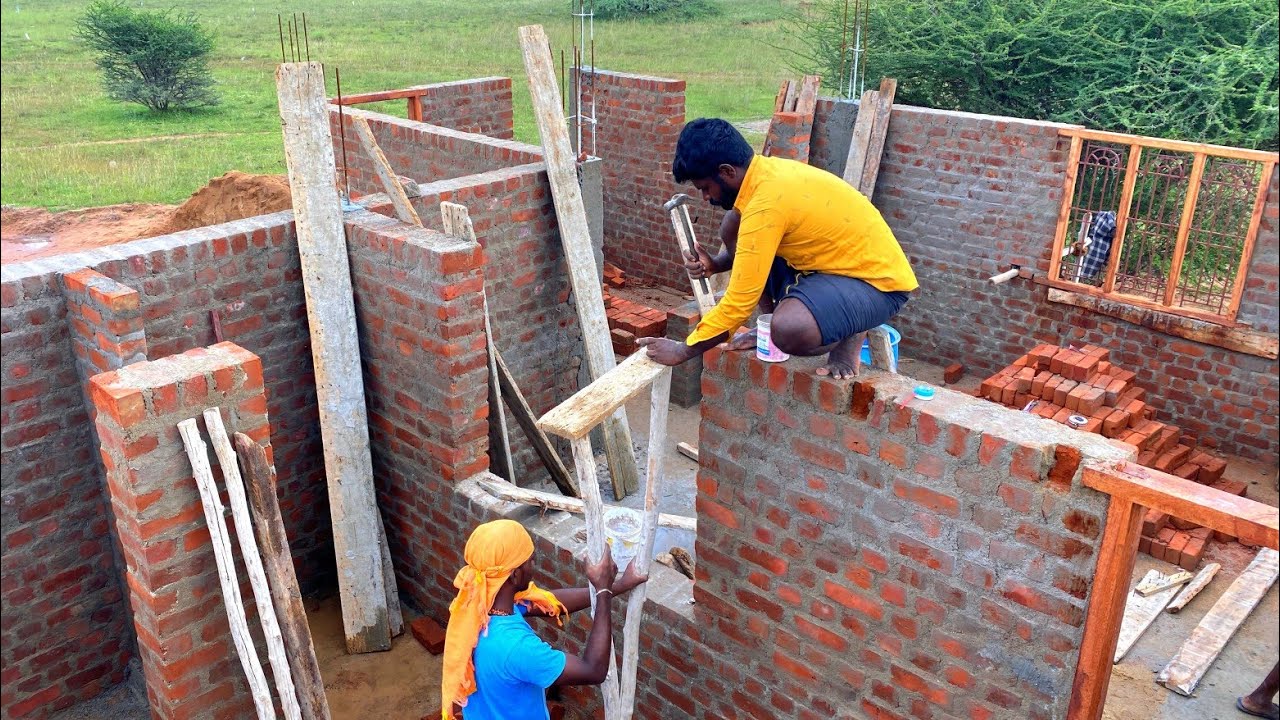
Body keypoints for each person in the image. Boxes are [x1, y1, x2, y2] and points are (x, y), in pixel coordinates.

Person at [639, 118, 918, 378]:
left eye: (706, 187)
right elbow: (747, 251)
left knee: (789, 330)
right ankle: (772, 326)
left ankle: (850, 333)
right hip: (828, 265)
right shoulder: (763, 176)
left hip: (877, 285)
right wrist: (717, 264)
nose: (705, 197)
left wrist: (682, 350)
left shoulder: (766, 205)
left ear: (727, 171)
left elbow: (738, 304)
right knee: (731, 225)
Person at [440, 519, 647, 720]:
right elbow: (593, 670)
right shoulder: (517, 647)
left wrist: (617, 586)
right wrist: (603, 590)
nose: (533, 564)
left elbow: (548, 601)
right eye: (530, 560)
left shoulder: (474, 606)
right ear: (513, 576)